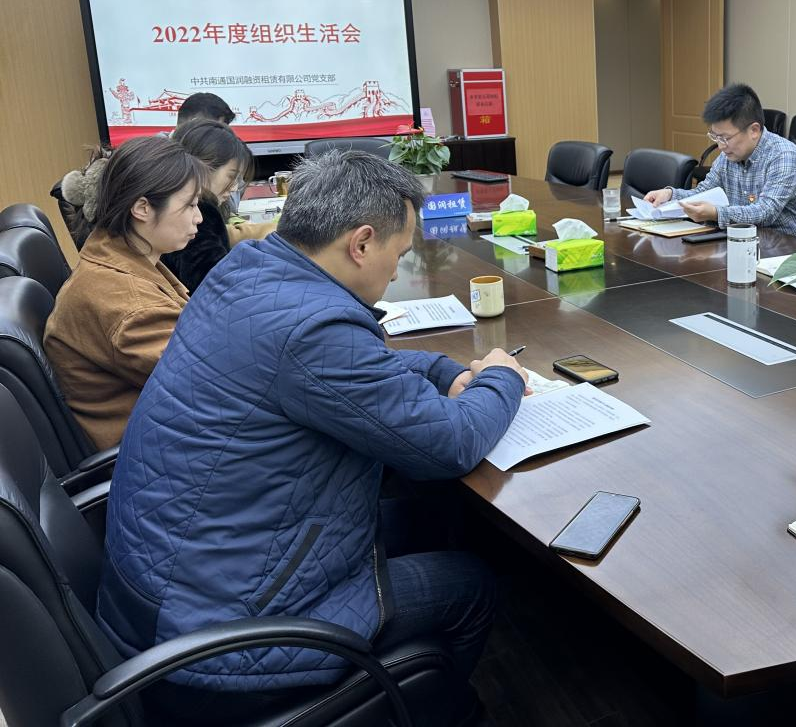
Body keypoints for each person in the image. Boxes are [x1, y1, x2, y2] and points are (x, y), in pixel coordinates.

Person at [96, 150, 529, 725]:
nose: (395, 272)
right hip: (219, 646)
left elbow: (347, 370)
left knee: (430, 516)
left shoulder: (249, 270)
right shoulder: (313, 328)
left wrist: (442, 371)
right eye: (399, 255)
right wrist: (501, 376)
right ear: (362, 243)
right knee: (470, 585)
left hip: (172, 590)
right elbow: (448, 444)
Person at [44, 136, 202, 449]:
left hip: (164, 432)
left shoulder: (118, 257)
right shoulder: (131, 308)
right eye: (190, 205)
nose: (199, 217)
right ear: (142, 208)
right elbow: (208, 382)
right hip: (161, 453)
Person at [643, 83, 796, 240]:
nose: (721, 146)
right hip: (751, 241)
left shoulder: (784, 156)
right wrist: (671, 195)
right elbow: (703, 192)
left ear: (754, 130)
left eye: (725, 138)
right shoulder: (728, 155)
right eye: (715, 137)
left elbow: (765, 212)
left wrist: (716, 213)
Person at [160, 119, 270, 291]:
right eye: (231, 176)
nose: (234, 187)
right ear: (204, 166)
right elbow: (215, 280)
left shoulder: (174, 205)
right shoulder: (201, 213)